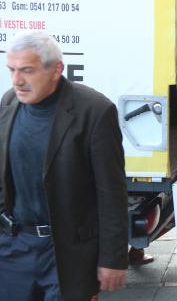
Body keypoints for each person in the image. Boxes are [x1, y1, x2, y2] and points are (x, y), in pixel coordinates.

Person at [0, 31, 128, 300]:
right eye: (12, 70)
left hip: (66, 254)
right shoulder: (9, 102)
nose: (17, 80)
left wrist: (112, 258)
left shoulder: (94, 111)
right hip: (14, 249)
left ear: (56, 69)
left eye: (27, 70)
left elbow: (111, 193)